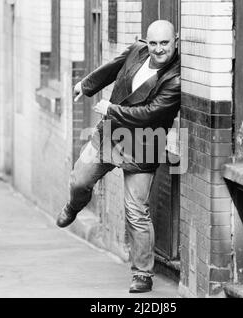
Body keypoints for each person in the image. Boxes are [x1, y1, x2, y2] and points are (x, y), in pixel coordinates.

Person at [56, 20, 181, 293]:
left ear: (176, 41)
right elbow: (112, 68)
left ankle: (142, 274)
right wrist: (86, 85)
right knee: (80, 180)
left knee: (137, 211)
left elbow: (150, 113)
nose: (158, 49)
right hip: (110, 134)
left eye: (164, 43)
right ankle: (73, 207)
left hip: (145, 143)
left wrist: (111, 109)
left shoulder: (175, 79)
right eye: (154, 43)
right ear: (146, 42)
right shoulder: (136, 52)